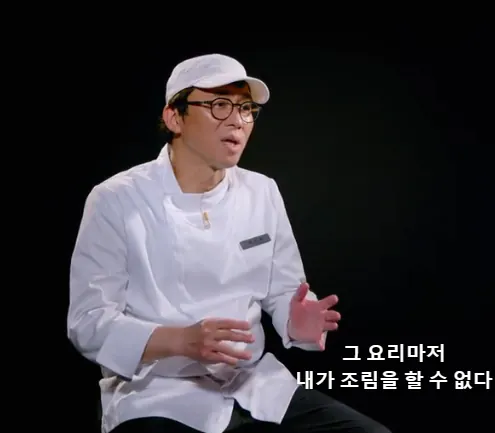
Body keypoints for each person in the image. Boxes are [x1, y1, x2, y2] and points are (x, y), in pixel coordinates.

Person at [67, 53, 389, 433]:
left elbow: (285, 291)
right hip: (158, 394)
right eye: (220, 105)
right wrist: (180, 341)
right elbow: (88, 322)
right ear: (174, 118)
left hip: (252, 384)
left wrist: (295, 320)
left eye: (246, 109)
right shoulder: (116, 199)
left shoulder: (262, 191)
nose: (237, 120)